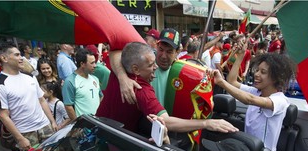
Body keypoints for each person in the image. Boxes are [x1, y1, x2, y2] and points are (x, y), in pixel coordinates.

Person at [96, 42, 237, 135]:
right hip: (117, 144)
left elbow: (115, 52)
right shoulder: (141, 90)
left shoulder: (120, 68)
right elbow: (167, 121)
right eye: (151, 65)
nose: (156, 67)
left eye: (170, 51)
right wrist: (207, 123)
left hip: (98, 127)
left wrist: (121, 76)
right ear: (135, 69)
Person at [210, 40, 295, 151]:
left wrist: (221, 83)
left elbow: (249, 100)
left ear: (276, 77)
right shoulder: (255, 91)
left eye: (263, 72)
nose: (256, 74)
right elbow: (232, 81)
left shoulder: (280, 100)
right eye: (257, 70)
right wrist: (241, 55)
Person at [0, 42, 57, 151]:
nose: (21, 58)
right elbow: (3, 115)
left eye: (20, 54)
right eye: (17, 55)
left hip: (45, 127)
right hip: (26, 133)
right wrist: (20, 138)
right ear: (4, 58)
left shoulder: (30, 76)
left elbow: (41, 100)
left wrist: (52, 121)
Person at [62, 48, 102, 120]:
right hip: (84, 126)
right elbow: (68, 106)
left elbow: (101, 96)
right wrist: (78, 124)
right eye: (92, 63)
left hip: (98, 122)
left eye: (95, 62)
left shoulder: (95, 79)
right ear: (82, 64)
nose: (95, 65)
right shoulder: (70, 81)